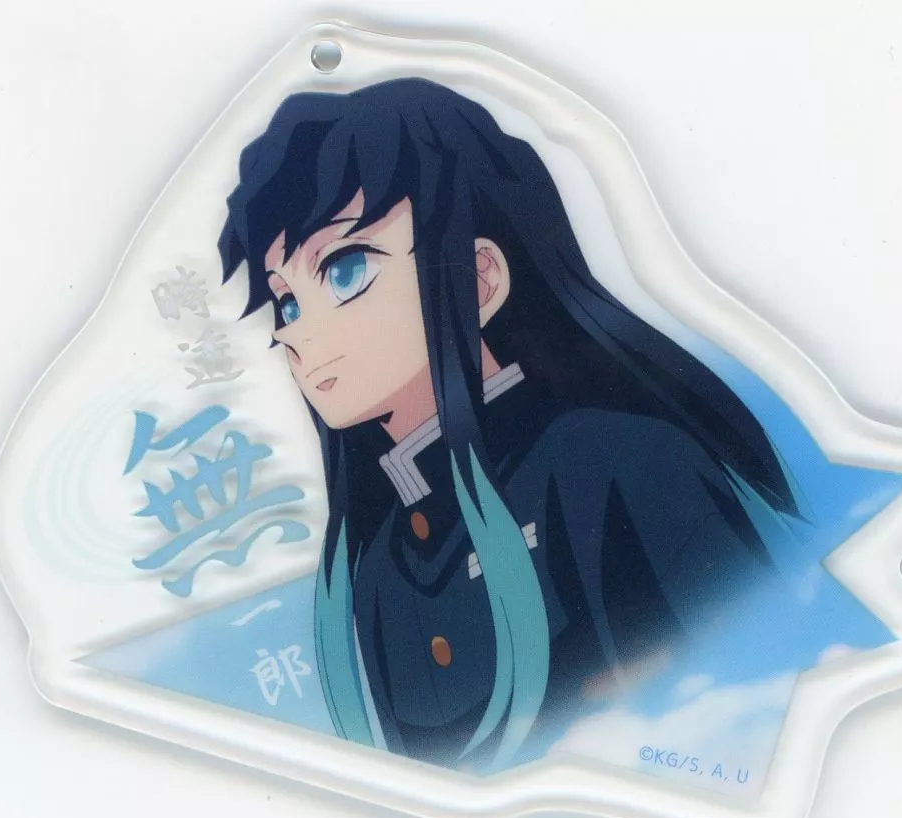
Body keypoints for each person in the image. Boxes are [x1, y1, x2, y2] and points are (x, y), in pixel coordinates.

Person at [218, 78, 800, 771]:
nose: (297, 333)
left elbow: (750, 707)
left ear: (479, 279)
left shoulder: (623, 463)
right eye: (286, 303)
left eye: (345, 272)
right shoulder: (376, 568)